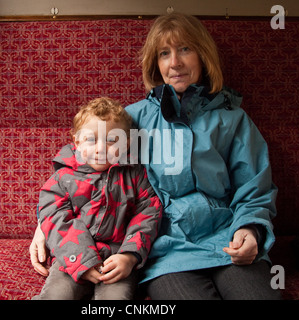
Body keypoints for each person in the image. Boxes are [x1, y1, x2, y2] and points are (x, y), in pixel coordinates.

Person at [30, 13, 281, 300]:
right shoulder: (132, 120)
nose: (175, 62)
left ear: (204, 56)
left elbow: (255, 187)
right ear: (156, 63)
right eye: (164, 53)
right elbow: (86, 166)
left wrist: (250, 228)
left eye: (185, 49)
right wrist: (43, 227)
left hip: (227, 238)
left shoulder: (233, 120)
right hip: (165, 248)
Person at [32, 97, 162, 300]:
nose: (101, 149)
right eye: (91, 140)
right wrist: (80, 259)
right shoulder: (63, 177)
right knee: (57, 296)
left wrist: (129, 256)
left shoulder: (136, 175)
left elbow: (148, 214)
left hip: (116, 259)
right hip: (71, 256)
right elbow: (54, 217)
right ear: (76, 142)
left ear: (126, 143)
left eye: (111, 140)